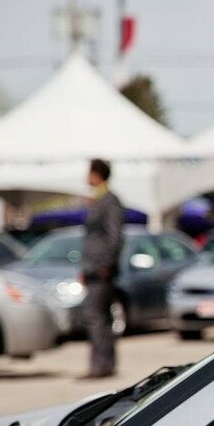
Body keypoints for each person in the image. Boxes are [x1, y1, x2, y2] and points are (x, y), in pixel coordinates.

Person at [78, 158, 124, 380]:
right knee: (100, 317)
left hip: (101, 269)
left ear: (97, 174)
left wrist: (106, 263)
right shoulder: (97, 199)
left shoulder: (109, 200)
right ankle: (105, 364)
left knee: (95, 316)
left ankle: (101, 365)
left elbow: (115, 235)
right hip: (93, 268)